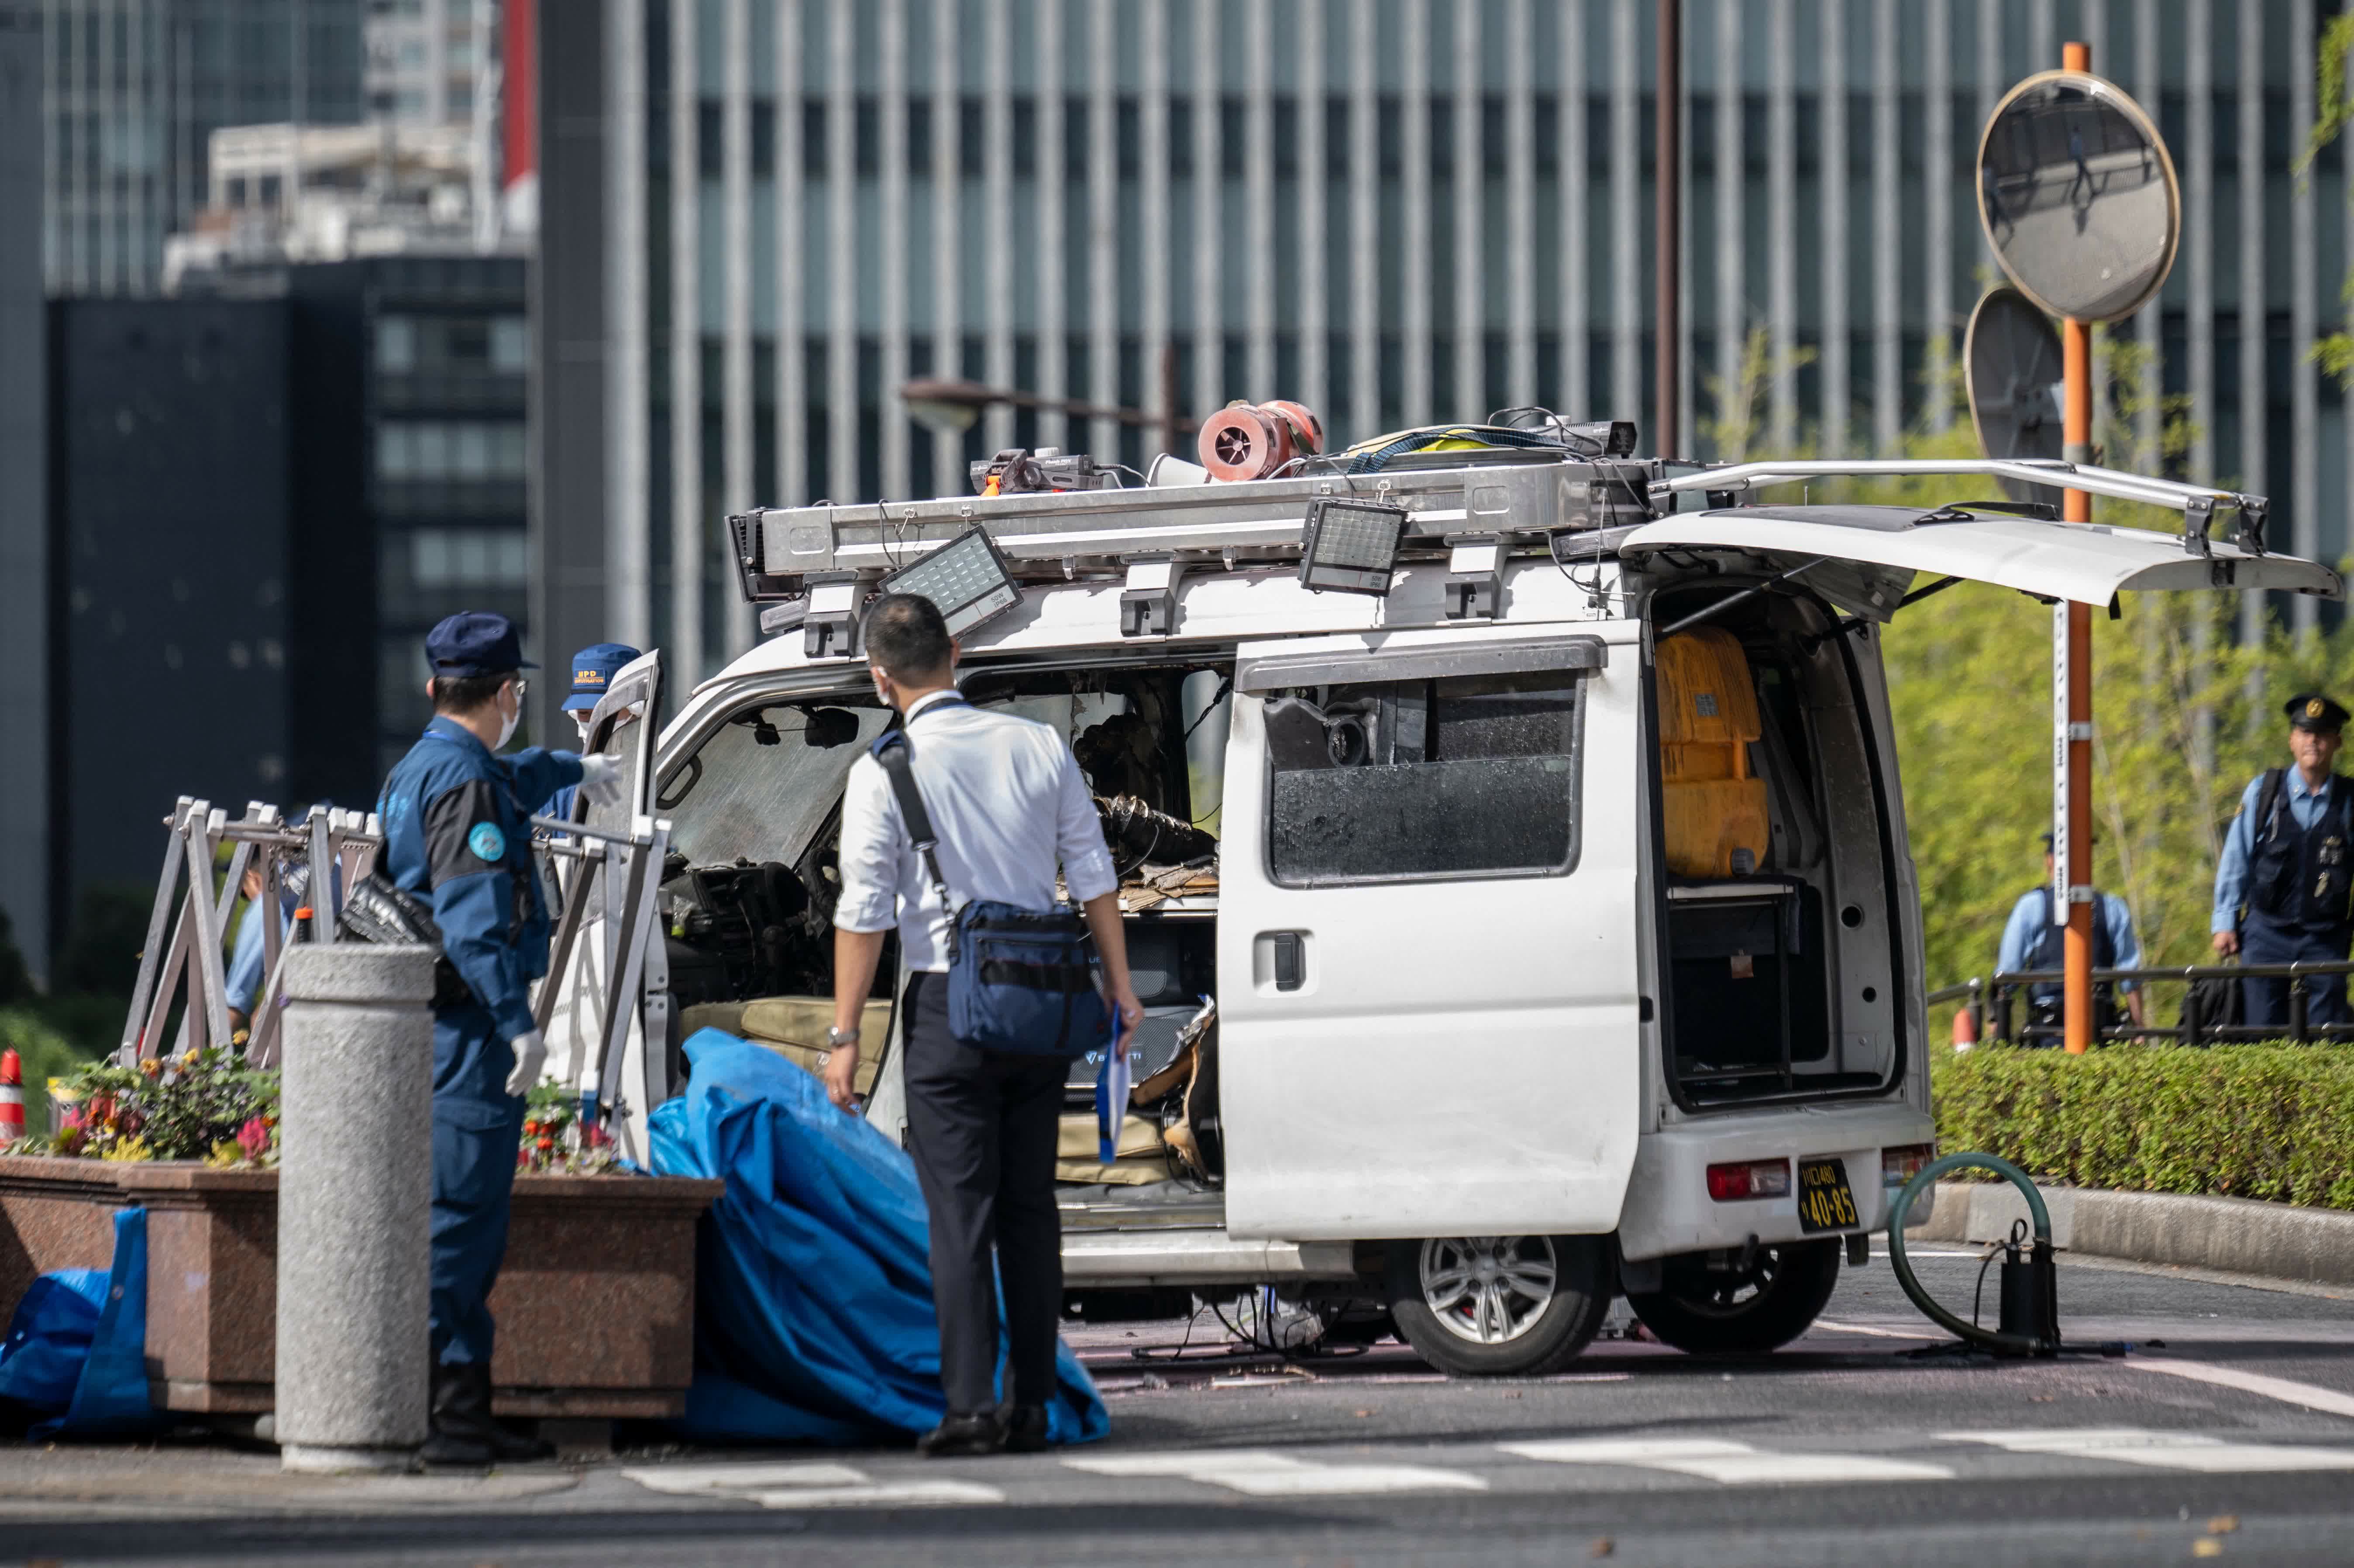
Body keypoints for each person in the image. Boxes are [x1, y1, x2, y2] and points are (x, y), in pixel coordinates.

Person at [826, 593, 1143, 1459]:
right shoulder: (1036, 743)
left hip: (945, 1009)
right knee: (1030, 1208)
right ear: (956, 651)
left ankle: (970, 1407)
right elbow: (1090, 867)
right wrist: (1120, 989)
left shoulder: (883, 769)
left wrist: (845, 1034)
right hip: (1040, 1000)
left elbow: (863, 911)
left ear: (878, 677)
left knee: (958, 1213)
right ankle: (1034, 1403)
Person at [376, 611, 622, 1467]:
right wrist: (519, 1027)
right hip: (469, 1029)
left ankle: (466, 1406)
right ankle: (448, 1418)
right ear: (509, 691)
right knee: (460, 1219)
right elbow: (476, 924)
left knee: (458, 1217)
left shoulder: (423, 767)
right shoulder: (466, 785)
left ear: (433, 686)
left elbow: (510, 777)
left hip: (431, 1026)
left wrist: (577, 766)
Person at [2213, 694, 2354, 1032]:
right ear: (2292, 740)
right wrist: (2224, 921)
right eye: (2305, 733)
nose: (2313, 742)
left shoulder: (2349, 801)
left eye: (2322, 734)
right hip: (2266, 933)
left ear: (2337, 742)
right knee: (2260, 1034)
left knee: (2328, 1037)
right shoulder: (2265, 792)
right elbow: (2236, 858)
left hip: (2326, 936)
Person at [1994, 833, 2144, 1042]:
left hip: (2048, 1031)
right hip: (2102, 1029)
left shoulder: (2031, 907)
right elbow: (2130, 978)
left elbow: (2007, 975)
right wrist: (2139, 1029)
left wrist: (1995, 1025)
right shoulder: (2113, 908)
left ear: (2049, 861)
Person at [547, 642, 643, 822]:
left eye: (605, 713)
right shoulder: (561, 783)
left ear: (637, 710)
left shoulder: (670, 767)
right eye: (584, 713)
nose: (595, 723)